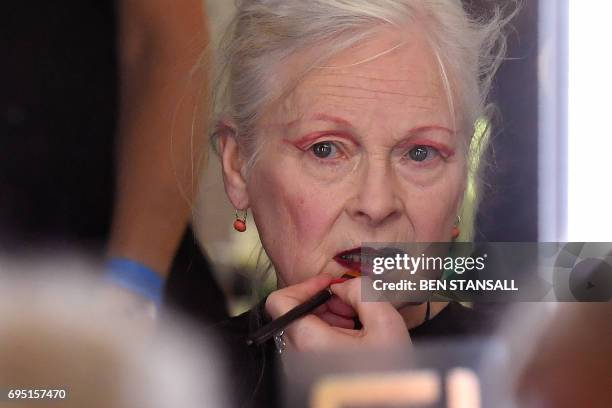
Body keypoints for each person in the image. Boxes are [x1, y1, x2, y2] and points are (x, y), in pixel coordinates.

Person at [210, 0, 517, 406]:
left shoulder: (550, 374)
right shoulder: (168, 383)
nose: (376, 204)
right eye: (325, 149)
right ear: (237, 166)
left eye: (421, 153)